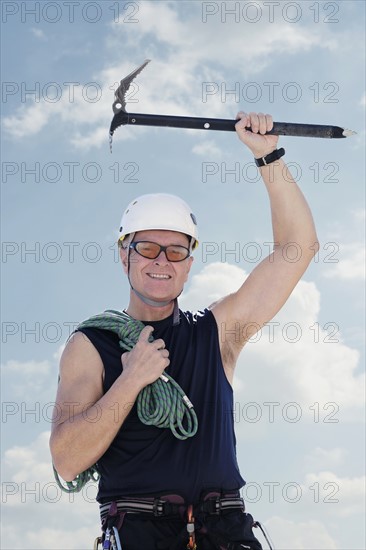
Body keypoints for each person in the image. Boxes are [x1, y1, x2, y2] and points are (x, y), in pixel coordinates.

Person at [50, 111, 318, 550]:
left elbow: (298, 248)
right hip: (139, 534)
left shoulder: (218, 332)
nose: (161, 262)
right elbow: (66, 459)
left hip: (225, 531)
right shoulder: (90, 345)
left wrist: (268, 157)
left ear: (190, 264)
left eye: (176, 251)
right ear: (125, 257)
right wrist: (132, 381)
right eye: (148, 248)